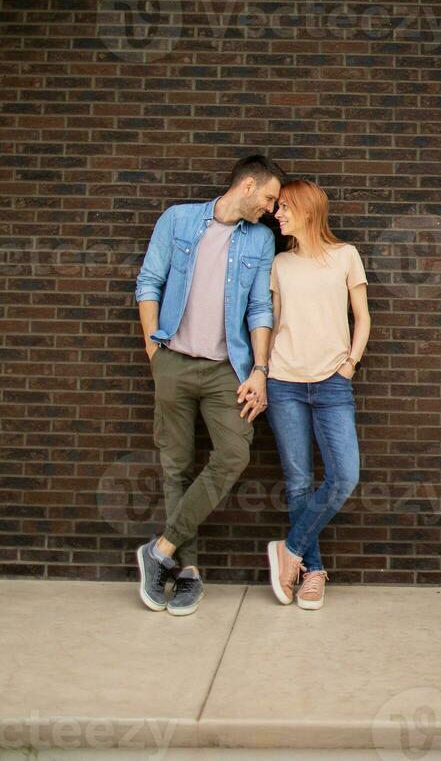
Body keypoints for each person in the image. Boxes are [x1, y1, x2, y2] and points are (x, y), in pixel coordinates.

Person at [134, 154, 286, 616]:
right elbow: (149, 282)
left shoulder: (260, 239)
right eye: (269, 197)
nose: (271, 208)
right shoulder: (178, 219)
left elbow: (260, 307)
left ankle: (159, 549)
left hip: (226, 370)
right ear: (247, 185)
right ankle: (188, 572)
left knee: (234, 452)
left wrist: (259, 370)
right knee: (176, 466)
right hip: (173, 362)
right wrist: (153, 351)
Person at [263, 179, 371, 610]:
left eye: (285, 207)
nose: (277, 214)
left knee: (344, 476)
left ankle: (288, 550)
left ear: (308, 210)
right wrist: (263, 370)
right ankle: (313, 571)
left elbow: (362, 318)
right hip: (284, 382)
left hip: (332, 382)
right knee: (298, 484)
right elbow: (270, 322)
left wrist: (349, 364)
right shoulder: (280, 264)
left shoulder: (346, 257)